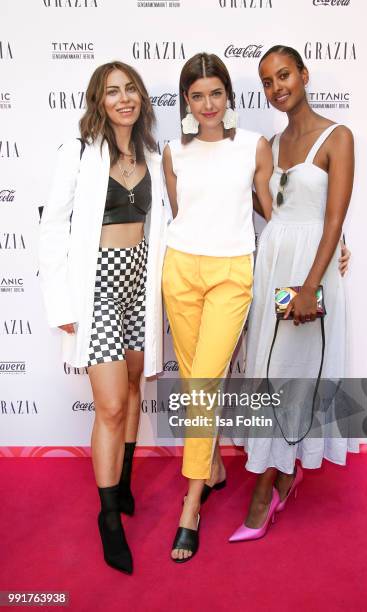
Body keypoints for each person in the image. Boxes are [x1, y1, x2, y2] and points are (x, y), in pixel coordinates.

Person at [38, 61, 169, 573]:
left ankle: (126, 482)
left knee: (136, 388)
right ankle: (109, 515)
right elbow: (51, 231)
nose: (124, 98)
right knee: (111, 404)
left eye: (130, 88)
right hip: (97, 288)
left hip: (141, 285)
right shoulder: (76, 153)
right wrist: (62, 305)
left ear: (140, 98)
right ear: (99, 100)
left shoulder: (154, 156)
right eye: (112, 91)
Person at [229, 45, 358, 543]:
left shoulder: (337, 136)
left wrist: (311, 285)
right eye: (267, 80)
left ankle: (265, 491)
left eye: (284, 75)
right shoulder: (273, 142)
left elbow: (334, 218)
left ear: (304, 74)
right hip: (273, 264)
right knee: (269, 372)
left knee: (294, 374)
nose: (277, 86)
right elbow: (272, 209)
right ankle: (285, 471)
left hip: (310, 272)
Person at [161, 52, 273, 562]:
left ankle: (191, 505)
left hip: (232, 272)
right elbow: (179, 214)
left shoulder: (254, 146)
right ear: (187, 100)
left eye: (216, 93)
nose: (207, 104)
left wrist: (325, 244)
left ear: (229, 95)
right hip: (180, 270)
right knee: (193, 383)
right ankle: (214, 469)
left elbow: (272, 211)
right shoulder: (172, 152)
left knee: (204, 382)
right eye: (197, 95)